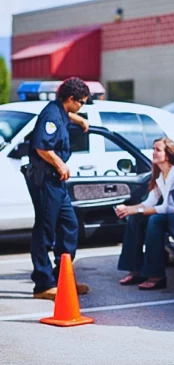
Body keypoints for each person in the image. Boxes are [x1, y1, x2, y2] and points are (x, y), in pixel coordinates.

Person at [25, 77, 90, 300]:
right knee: (45, 230)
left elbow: (65, 117)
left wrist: (79, 119)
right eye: (81, 102)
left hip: (56, 182)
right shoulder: (51, 115)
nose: (82, 105)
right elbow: (42, 146)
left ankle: (63, 277)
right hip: (45, 180)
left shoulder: (60, 111)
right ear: (71, 99)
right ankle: (43, 284)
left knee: (69, 226)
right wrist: (60, 163)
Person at [116, 137, 174, 290]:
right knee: (135, 219)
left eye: (157, 150)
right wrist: (129, 209)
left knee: (154, 221)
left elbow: (168, 207)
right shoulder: (160, 175)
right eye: (153, 149)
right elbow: (150, 202)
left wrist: (137, 209)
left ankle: (156, 275)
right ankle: (135, 270)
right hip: (169, 212)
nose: (153, 153)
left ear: (168, 154)